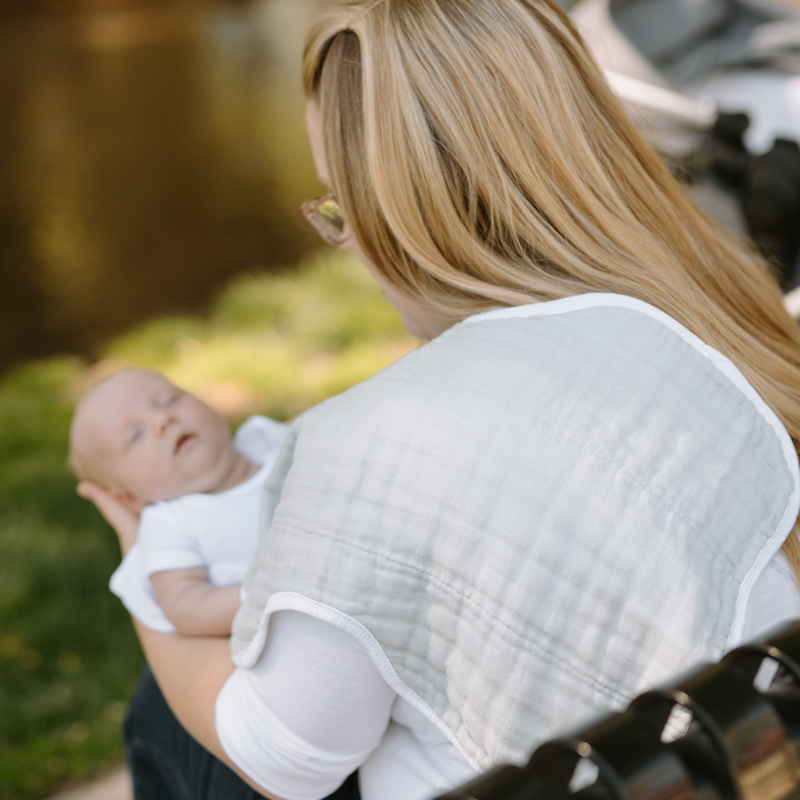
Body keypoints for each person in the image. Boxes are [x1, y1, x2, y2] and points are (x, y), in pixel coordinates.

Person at [76, 1, 800, 799]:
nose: (345, 240)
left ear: (402, 208)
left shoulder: (373, 447)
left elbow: (286, 756)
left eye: (340, 206)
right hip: (748, 755)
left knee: (163, 715)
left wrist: (145, 578)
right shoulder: (726, 315)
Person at [70, 368, 287, 635]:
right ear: (129, 498)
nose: (164, 418)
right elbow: (186, 606)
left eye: (169, 400)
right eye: (136, 435)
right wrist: (263, 591)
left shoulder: (267, 438)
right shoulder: (170, 523)